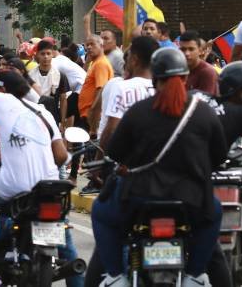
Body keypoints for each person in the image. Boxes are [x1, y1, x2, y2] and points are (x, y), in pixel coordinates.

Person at [91, 47, 225, 287]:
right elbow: (218, 157)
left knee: (101, 213)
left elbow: (115, 153)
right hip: (192, 200)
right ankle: (195, 274)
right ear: (185, 77)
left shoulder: (137, 112)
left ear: (155, 78)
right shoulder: (204, 112)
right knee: (214, 214)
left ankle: (114, 276)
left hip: (138, 198)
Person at [0, 71, 68, 251]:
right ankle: (79, 275)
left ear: (1, 89)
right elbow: (62, 155)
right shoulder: (43, 111)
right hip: (50, 185)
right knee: (65, 242)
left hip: (14, 186)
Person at [98, 36, 158, 152]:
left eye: (128, 56)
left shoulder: (121, 87)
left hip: (126, 160)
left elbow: (111, 129)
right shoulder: (162, 89)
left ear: (134, 59)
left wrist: (99, 158)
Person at [179, 30, 218, 96]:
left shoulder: (208, 72)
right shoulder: (176, 70)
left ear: (200, 50)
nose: (187, 53)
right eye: (183, 49)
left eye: (191, 49)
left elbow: (205, 102)